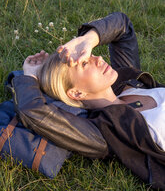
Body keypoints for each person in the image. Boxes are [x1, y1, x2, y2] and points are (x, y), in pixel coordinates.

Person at [12, 12, 165, 189]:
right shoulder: (104, 133)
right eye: (85, 63)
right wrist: (30, 76)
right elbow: (33, 111)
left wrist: (87, 40)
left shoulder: (126, 82)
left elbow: (122, 26)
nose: (99, 58)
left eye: (90, 55)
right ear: (76, 94)